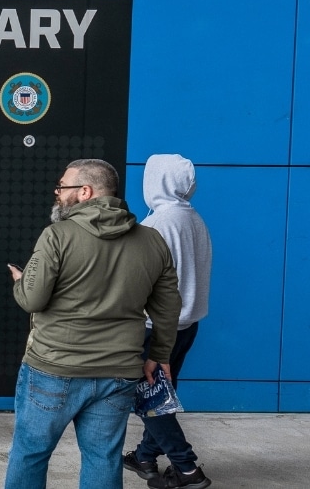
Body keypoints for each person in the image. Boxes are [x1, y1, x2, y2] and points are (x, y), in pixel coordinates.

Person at [4, 159, 180, 489]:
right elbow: (169, 308)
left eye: (63, 187)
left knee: (31, 453)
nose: (57, 194)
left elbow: (32, 300)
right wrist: (160, 354)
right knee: (102, 457)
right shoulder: (152, 240)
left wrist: (21, 279)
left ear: (85, 192)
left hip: (54, 367)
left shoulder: (57, 235)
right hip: (119, 371)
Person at [122, 155, 213, 489]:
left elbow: (136, 282)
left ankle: (187, 469)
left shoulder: (156, 225)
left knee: (150, 398)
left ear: (156, 181)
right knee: (161, 394)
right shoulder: (195, 219)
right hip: (188, 323)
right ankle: (145, 456)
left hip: (155, 328)